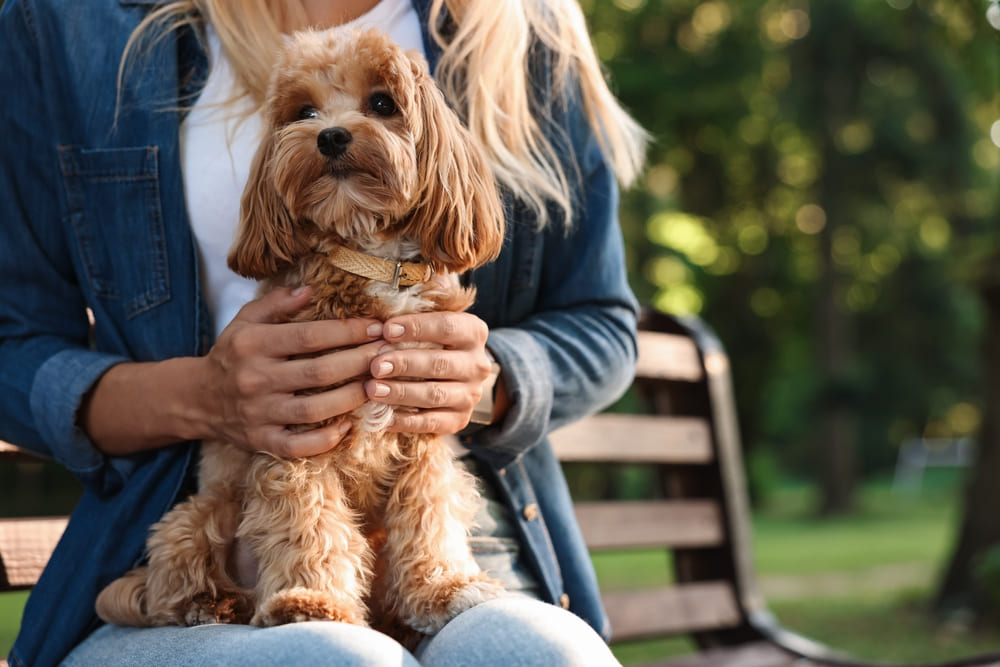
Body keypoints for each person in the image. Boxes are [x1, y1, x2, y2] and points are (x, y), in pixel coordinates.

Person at [0, 0, 647, 664]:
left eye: (378, 105)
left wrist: (485, 379)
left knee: (538, 655)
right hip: (232, 545)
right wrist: (203, 396)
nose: (335, 130)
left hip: (474, 548)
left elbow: (602, 322)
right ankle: (289, 583)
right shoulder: (66, 21)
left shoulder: (523, 23)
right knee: (330, 654)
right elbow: (11, 346)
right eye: (306, 114)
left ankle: (422, 577)